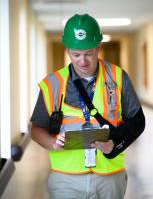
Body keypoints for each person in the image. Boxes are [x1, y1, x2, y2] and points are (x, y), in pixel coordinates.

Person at [31, 13, 145, 199]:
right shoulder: (52, 84)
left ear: (98, 47)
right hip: (65, 178)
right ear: (67, 50)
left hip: (109, 177)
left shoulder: (117, 77)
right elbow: (36, 129)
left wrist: (114, 144)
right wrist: (52, 143)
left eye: (88, 54)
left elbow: (138, 121)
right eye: (76, 54)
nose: (82, 61)